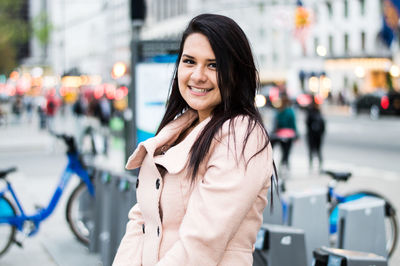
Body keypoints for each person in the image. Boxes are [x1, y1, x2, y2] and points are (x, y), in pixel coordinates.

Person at [113, 14, 275, 266]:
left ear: (236, 73)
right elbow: (142, 221)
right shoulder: (180, 128)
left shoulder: (241, 136)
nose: (198, 75)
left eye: (213, 65)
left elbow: (201, 244)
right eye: (190, 61)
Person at [271, 92, 298, 170]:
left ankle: (281, 165)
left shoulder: (278, 111)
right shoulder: (290, 111)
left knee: (281, 149)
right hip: (289, 135)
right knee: (286, 152)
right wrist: (296, 134)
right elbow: (293, 125)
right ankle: (285, 164)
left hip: (279, 134)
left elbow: (275, 124)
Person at [305, 98, 325, 171]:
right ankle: (314, 165)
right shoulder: (316, 112)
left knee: (315, 150)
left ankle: (315, 165)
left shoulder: (313, 111)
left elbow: (307, 123)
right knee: (316, 150)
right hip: (314, 135)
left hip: (314, 135)